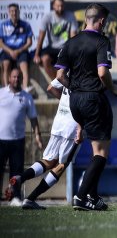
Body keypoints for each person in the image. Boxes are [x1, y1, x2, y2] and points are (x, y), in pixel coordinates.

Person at [55, 3, 117, 211]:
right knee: (101, 153)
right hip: (94, 99)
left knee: (95, 151)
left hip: (75, 100)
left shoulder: (70, 42)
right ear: (101, 21)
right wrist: (112, 88)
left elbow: (59, 76)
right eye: (105, 22)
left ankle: (93, 196)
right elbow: (103, 73)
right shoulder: (101, 40)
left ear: (86, 19)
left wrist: (75, 87)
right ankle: (81, 196)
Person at [8, 78, 82, 209]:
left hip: (59, 121)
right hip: (72, 126)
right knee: (61, 165)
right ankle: (30, 199)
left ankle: (20, 178)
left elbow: (50, 87)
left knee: (48, 161)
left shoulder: (68, 71)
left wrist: (66, 101)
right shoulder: (86, 73)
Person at [0, 68, 43, 206]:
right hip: (1, 140)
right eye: (13, 77)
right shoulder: (1, 94)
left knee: (17, 171)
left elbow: (33, 119)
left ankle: (16, 197)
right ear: (9, 78)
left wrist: (37, 136)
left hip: (18, 141)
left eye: (19, 77)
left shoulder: (27, 97)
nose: (16, 79)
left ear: (22, 79)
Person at [34, 0, 78, 80]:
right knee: (44, 59)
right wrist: (37, 54)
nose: (60, 8)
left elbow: (74, 36)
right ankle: (57, 82)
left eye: (61, 6)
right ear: (53, 6)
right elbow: (41, 37)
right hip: (52, 47)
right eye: (58, 6)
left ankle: (60, 83)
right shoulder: (47, 17)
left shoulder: (70, 16)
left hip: (65, 48)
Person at [0, 3, 32, 89]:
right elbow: (0, 43)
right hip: (7, 50)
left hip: (21, 50)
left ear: (19, 12)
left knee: (24, 65)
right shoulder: (3, 25)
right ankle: (6, 89)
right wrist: (10, 51)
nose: (14, 13)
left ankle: (25, 89)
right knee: (5, 64)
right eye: (11, 11)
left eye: (15, 11)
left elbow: (29, 42)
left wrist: (19, 51)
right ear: (8, 12)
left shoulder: (26, 25)